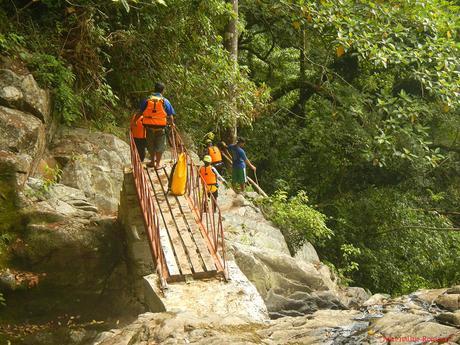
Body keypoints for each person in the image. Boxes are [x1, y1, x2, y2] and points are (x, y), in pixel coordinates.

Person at [136, 82, 175, 169]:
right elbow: (170, 116)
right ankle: (158, 164)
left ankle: (152, 162)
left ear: (154, 89)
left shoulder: (147, 100)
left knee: (150, 144)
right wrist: (172, 124)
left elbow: (140, 112)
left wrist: (134, 122)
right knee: (160, 145)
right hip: (160, 128)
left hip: (149, 127)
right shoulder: (165, 101)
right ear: (163, 91)